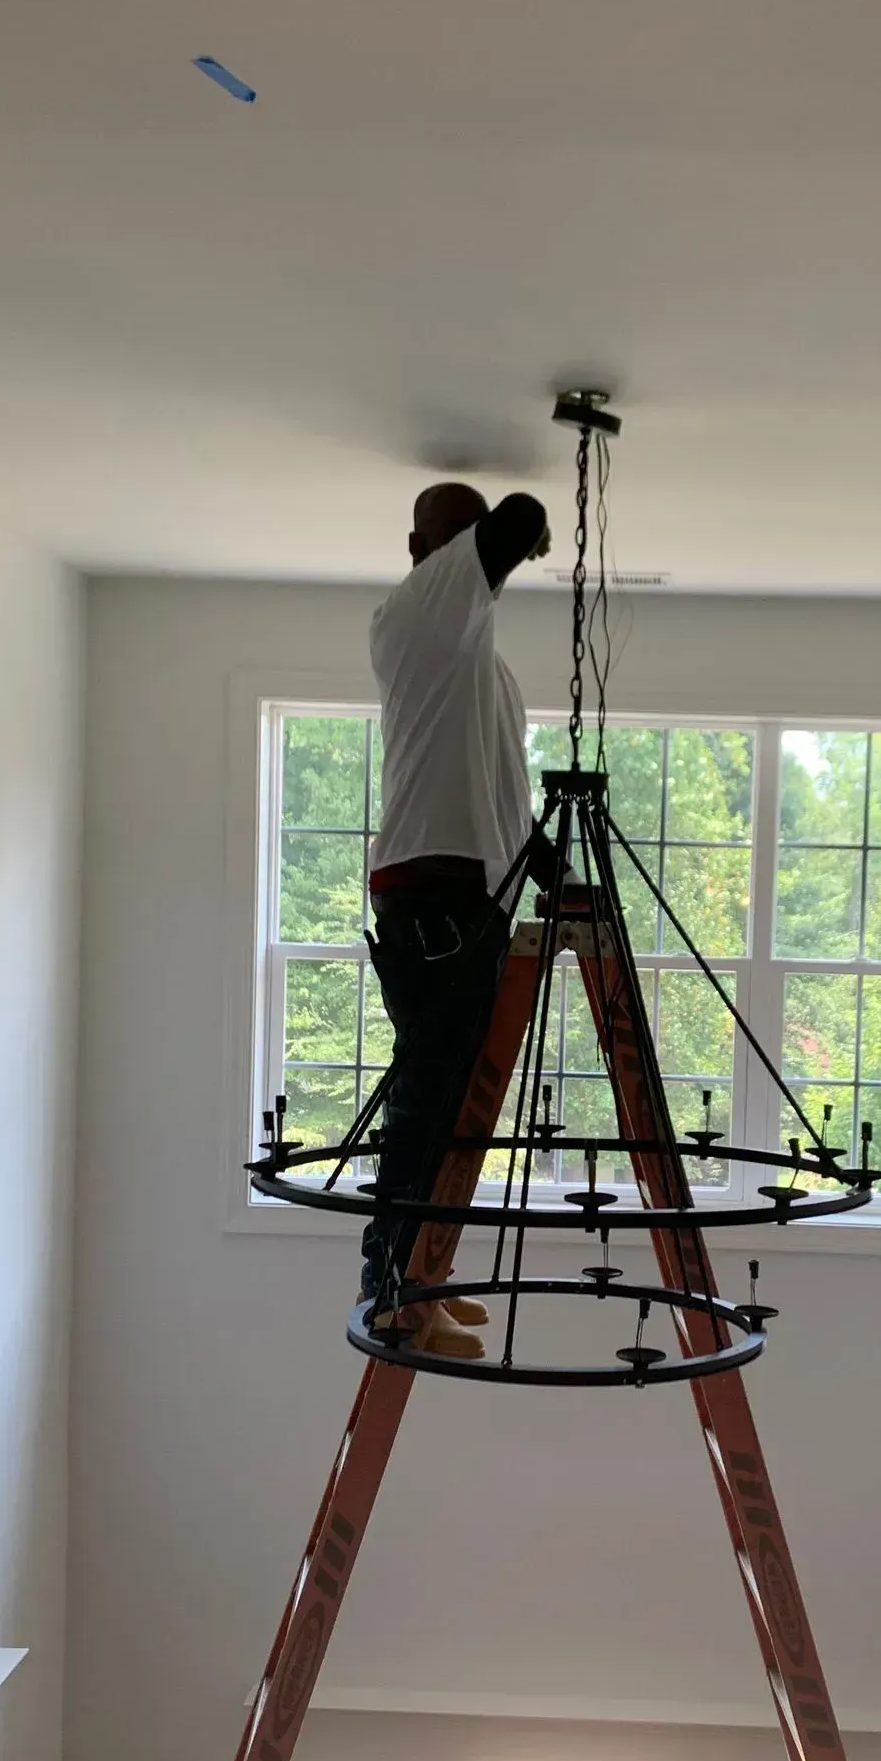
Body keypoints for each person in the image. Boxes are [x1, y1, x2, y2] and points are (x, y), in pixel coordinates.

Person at [361, 480, 561, 1351]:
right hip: (433, 889)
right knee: (430, 1101)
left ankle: (426, 1279)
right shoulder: (421, 606)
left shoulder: (485, 667)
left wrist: (542, 863)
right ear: (419, 550)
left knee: (453, 1099)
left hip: (467, 889)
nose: (467, 552)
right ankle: (396, 1291)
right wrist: (520, 536)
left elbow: (499, 786)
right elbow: (516, 516)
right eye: (451, 539)